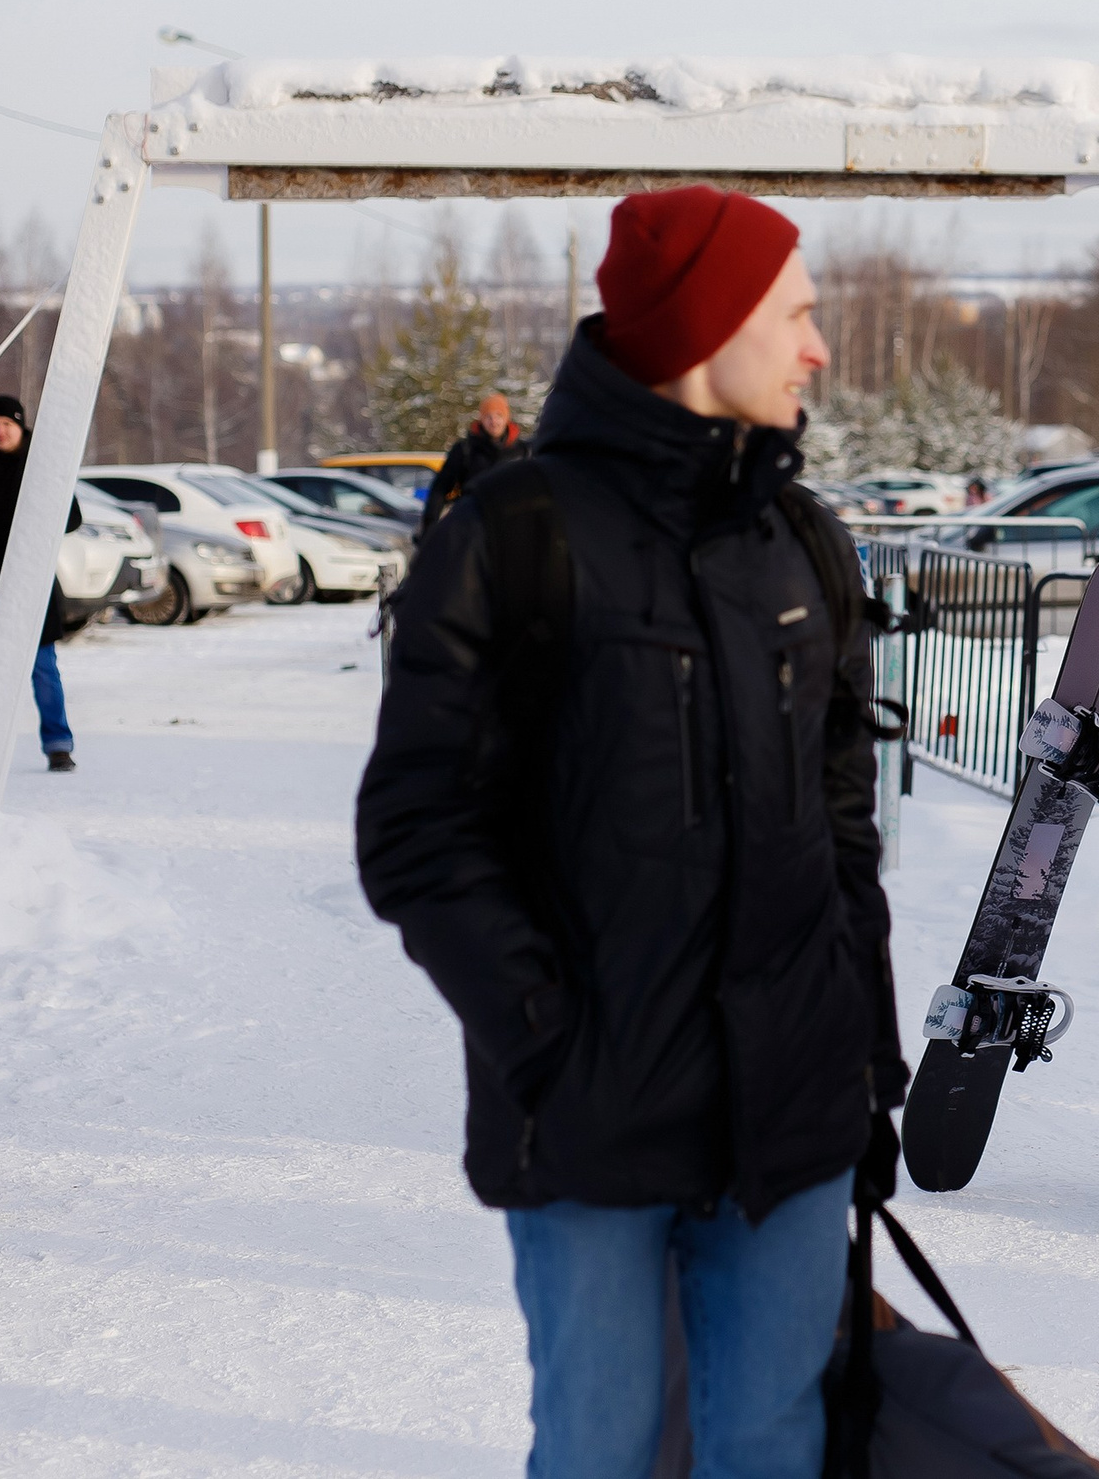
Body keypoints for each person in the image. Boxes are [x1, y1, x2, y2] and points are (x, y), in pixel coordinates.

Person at [357, 185, 902, 1477]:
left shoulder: (804, 542)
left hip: (791, 1112)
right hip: (588, 1122)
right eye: (796, 315)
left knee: (771, 1444)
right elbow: (416, 829)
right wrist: (550, 1039)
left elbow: (843, 835)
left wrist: (863, 1065)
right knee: (596, 1450)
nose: (818, 348)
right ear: (709, 326)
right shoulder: (512, 537)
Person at [0, 393, 79, 772]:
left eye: (7, 425)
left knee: (43, 670)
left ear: (20, 427)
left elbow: (72, 519)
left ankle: (58, 745)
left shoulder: (41, 468)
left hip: (32, 588)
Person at [418, 391, 526, 537]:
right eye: (488, 416)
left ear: (506, 418)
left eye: (499, 415)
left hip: (512, 528)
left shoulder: (523, 452)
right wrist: (429, 527)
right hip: (473, 526)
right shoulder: (465, 450)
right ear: (481, 419)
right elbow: (440, 489)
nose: (494, 421)